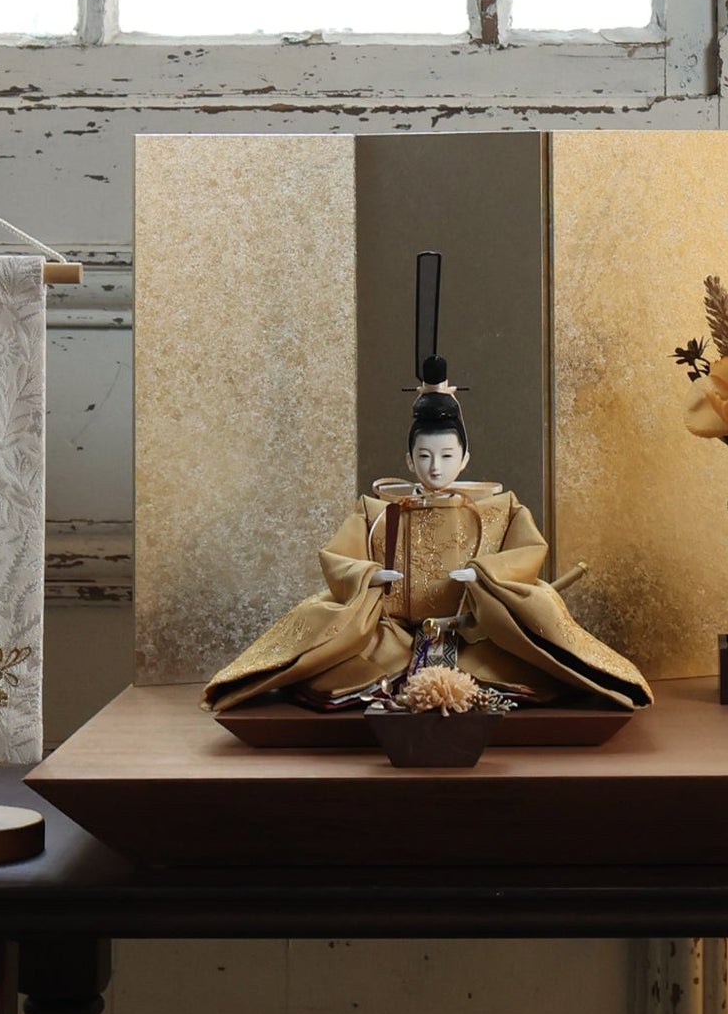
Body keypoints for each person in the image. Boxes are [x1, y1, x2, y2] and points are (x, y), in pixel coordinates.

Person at [203, 254, 651, 716]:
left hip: (475, 634)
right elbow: (339, 558)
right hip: (391, 635)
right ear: (408, 459)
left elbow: (527, 553)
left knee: (523, 656)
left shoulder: (500, 508)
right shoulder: (377, 510)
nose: (435, 468)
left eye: (447, 456)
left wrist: (486, 575)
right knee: (333, 659)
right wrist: (369, 576)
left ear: (465, 458)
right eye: (424, 456)